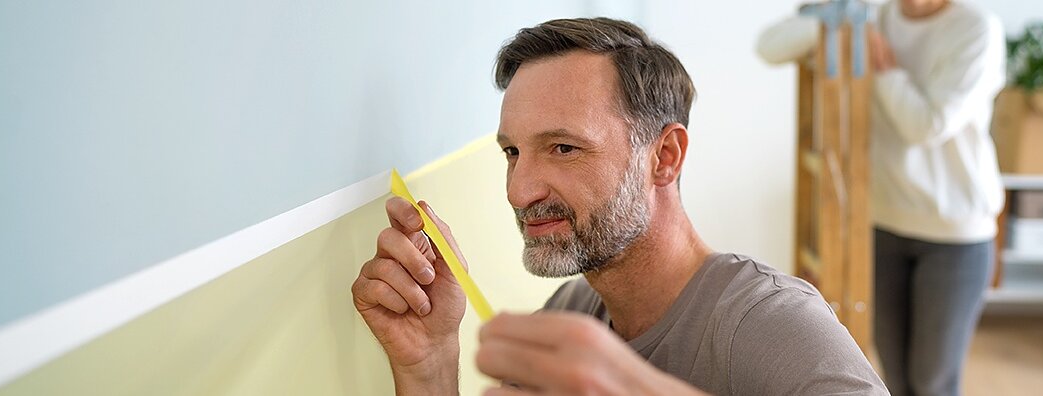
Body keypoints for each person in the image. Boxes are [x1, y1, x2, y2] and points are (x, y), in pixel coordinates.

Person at [352, 17, 888, 395]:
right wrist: (429, 364)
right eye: (513, 152)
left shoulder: (768, 325)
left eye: (564, 148)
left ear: (665, 157)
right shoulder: (570, 310)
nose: (519, 191)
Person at [867, 1, 1007, 395]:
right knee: (893, 379)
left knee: (933, 384)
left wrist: (884, 69)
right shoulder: (874, 17)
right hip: (884, 220)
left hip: (956, 234)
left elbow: (925, 126)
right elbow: (771, 46)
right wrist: (835, 18)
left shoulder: (977, 28)